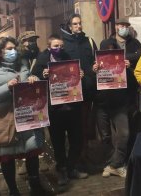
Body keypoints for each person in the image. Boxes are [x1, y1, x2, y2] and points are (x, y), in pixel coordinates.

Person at [0, 36, 50, 195]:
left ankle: (35, 185)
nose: (13, 51)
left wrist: (34, 79)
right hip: (6, 119)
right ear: (0, 52)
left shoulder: (23, 65)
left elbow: (31, 83)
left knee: (32, 153)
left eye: (14, 49)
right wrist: (6, 88)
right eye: (9, 49)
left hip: (27, 116)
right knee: (7, 157)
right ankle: (13, 190)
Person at [32, 34, 87, 185]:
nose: (59, 49)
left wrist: (80, 74)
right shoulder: (42, 61)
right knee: (58, 142)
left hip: (72, 107)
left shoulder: (68, 57)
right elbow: (33, 79)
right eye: (56, 46)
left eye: (61, 46)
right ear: (49, 47)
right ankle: (61, 169)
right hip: (54, 110)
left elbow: (76, 75)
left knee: (77, 139)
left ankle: (71, 167)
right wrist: (41, 76)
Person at [93, 18, 141, 178]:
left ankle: (116, 164)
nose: (124, 28)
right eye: (121, 26)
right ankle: (112, 163)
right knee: (106, 136)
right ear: (116, 27)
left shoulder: (134, 42)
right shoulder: (106, 43)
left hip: (124, 97)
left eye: (126, 26)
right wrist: (94, 69)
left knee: (124, 133)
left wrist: (127, 61)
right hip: (103, 99)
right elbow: (98, 66)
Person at [60, 13, 97, 167]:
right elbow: (59, 66)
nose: (78, 26)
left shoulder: (89, 41)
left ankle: (84, 153)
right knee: (75, 126)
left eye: (80, 23)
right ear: (69, 26)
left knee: (86, 124)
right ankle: (76, 156)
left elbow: (97, 62)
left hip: (88, 90)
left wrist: (95, 68)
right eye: (75, 24)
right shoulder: (63, 44)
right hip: (71, 93)